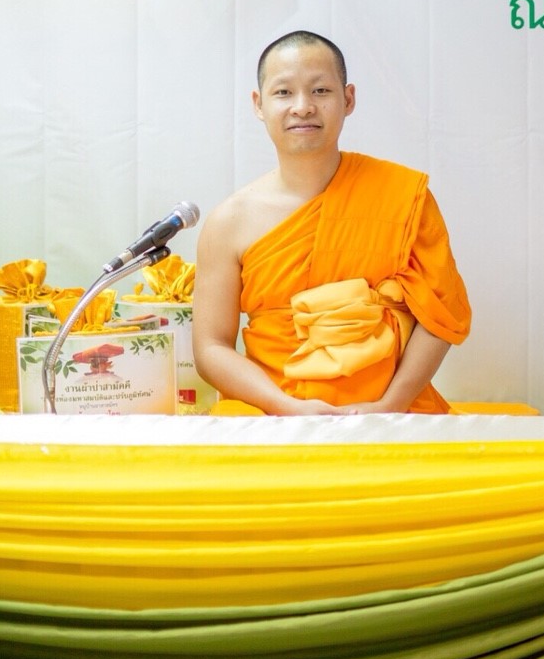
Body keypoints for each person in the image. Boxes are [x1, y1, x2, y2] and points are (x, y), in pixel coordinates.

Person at [192, 31, 471, 415]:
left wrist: (390, 405)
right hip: (274, 419)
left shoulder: (404, 196)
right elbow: (211, 347)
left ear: (348, 99)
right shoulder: (230, 222)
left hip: (395, 417)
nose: (303, 107)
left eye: (320, 91)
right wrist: (283, 406)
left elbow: (439, 314)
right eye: (283, 92)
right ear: (259, 104)